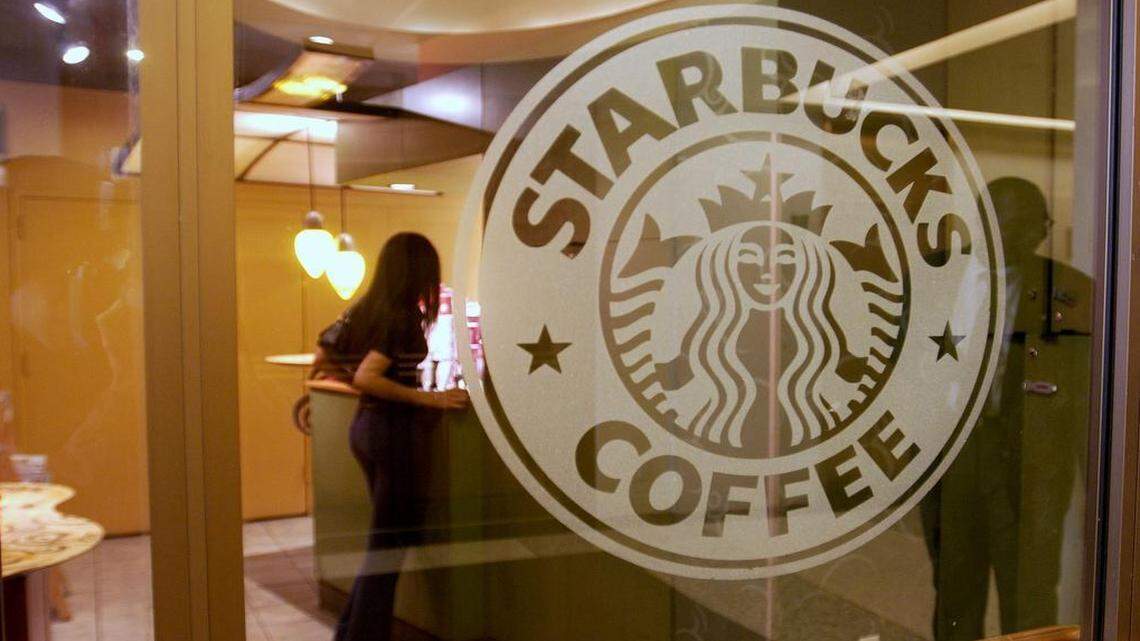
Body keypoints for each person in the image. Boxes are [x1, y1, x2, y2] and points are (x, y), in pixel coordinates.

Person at [920, 177, 1091, 639]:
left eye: (1024, 228)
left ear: (1043, 230)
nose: (1011, 239)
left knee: (1030, 594)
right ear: (979, 222)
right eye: (999, 225)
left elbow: (1083, 398)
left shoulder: (1072, 292)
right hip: (953, 458)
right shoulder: (932, 278)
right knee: (955, 587)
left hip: (1028, 465)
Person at [327, 233, 469, 641]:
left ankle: (349, 632)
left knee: (388, 541)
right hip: (391, 434)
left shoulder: (366, 308)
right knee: (386, 551)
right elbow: (367, 376)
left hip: (366, 428)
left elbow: (329, 355)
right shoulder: (401, 317)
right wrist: (431, 399)